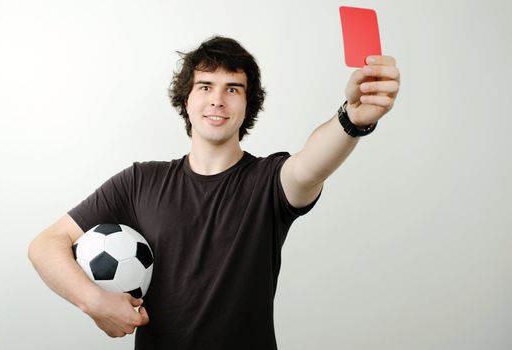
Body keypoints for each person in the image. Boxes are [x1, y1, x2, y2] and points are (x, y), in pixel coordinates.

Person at [28, 36, 400, 349]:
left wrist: (351, 119)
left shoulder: (269, 180)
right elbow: (46, 244)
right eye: (205, 86)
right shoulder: (140, 181)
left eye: (232, 89)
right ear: (187, 99)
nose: (217, 99)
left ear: (247, 104)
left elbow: (312, 164)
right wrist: (94, 302)